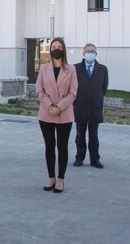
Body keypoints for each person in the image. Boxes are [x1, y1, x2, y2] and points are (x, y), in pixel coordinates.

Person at [35, 37, 77, 193]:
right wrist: (49, 105)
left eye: (59, 46)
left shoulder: (71, 69)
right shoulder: (44, 68)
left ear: (63, 49)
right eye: (53, 47)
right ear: (50, 50)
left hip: (64, 114)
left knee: (62, 146)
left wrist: (60, 107)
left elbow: (73, 92)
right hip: (46, 113)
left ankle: (61, 179)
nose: (56, 49)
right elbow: (39, 90)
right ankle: (51, 177)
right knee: (49, 146)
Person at [73, 43, 108, 168]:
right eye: (87, 51)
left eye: (92, 51)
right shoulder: (75, 68)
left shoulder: (102, 69)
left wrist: (96, 98)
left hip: (94, 107)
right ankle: (79, 158)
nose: (90, 53)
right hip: (80, 107)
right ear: (83, 53)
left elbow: (104, 88)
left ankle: (95, 160)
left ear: (96, 54)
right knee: (80, 135)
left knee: (94, 136)